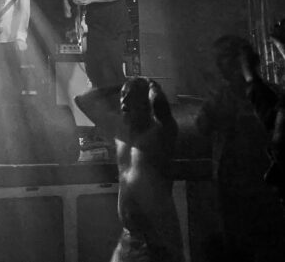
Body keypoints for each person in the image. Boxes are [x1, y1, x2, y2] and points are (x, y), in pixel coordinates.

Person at [195, 35, 285, 261]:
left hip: (267, 189)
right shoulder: (220, 100)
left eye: (228, 59)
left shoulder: (269, 94)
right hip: (234, 190)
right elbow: (202, 127)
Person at [75, 78, 184, 262]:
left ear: (146, 104)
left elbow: (162, 109)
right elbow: (83, 101)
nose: (123, 101)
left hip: (158, 241)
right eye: (122, 96)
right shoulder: (121, 131)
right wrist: (122, 85)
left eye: (131, 97)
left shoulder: (161, 133)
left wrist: (151, 86)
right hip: (129, 239)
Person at [63, 0, 129, 89]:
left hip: (110, 27)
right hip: (96, 29)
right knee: (95, 71)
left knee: (111, 73)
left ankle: (121, 101)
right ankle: (103, 100)